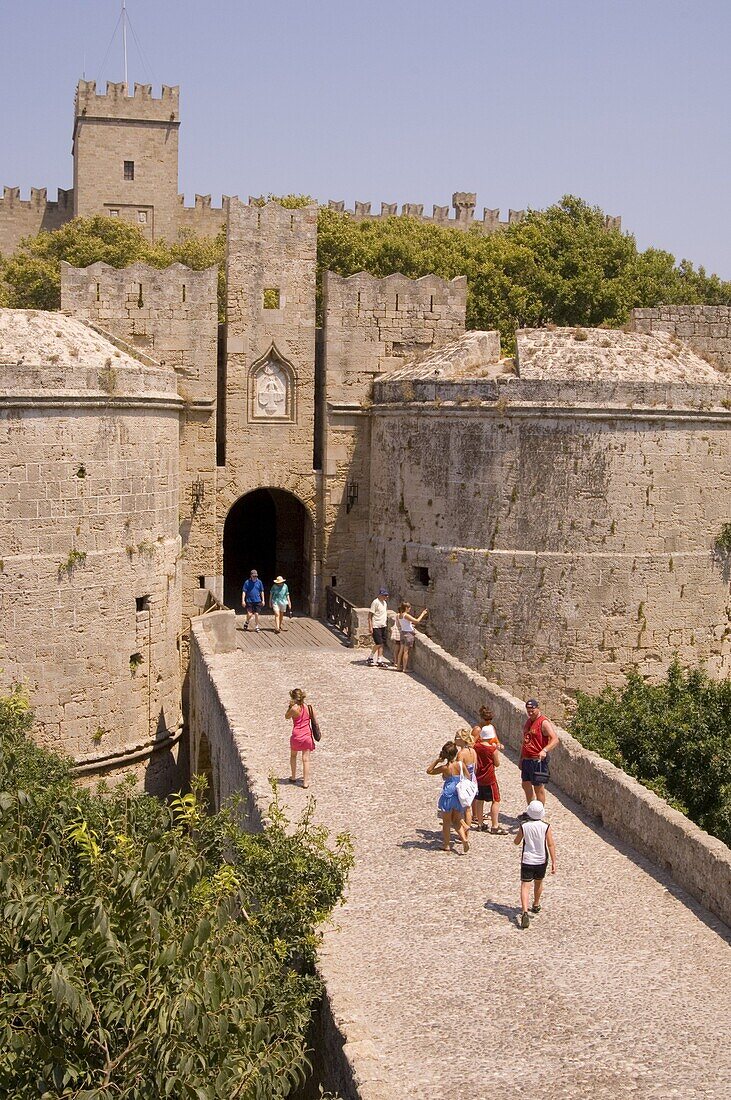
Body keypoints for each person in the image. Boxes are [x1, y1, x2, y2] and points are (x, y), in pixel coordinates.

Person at [514, 800, 557, 929]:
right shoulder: (546, 826)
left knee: (525, 885)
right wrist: (554, 862)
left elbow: (517, 841)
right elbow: (550, 844)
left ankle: (525, 911)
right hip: (541, 860)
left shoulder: (524, 826)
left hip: (527, 859)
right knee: (538, 883)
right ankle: (536, 904)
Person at [519, 698, 559, 819]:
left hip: (537, 760)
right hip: (527, 758)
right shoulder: (528, 722)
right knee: (526, 784)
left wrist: (545, 750)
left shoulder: (543, 722)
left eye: (532, 710)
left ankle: (538, 814)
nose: (530, 712)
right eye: (528, 710)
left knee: (538, 787)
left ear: (537, 708)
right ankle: (532, 810)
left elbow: (555, 739)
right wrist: (521, 758)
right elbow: (525, 741)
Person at [426, 741, 470, 853]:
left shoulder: (445, 768)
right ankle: (464, 839)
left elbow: (429, 771)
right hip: (458, 795)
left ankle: (446, 845)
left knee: (446, 822)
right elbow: (468, 777)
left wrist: (437, 760)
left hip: (448, 795)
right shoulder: (460, 765)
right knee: (456, 820)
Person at [471, 715, 507, 833]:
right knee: (495, 800)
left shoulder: (476, 747)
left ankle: (480, 824)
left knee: (480, 800)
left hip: (479, 777)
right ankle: (495, 826)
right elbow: (497, 764)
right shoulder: (492, 749)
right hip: (490, 778)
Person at [285, 687, 315, 788]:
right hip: (307, 735)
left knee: (293, 755)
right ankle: (305, 782)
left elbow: (287, 716)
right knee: (306, 759)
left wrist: (290, 707)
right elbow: (314, 717)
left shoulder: (294, 708)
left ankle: (293, 777)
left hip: (297, 735)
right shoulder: (308, 707)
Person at [394, 602, 428, 672]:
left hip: (403, 633)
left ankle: (398, 666)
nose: (410, 609)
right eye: (409, 608)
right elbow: (416, 621)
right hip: (408, 634)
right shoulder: (406, 615)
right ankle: (404, 668)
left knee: (401, 651)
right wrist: (423, 613)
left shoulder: (399, 615)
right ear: (406, 608)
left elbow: (405, 623)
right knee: (406, 652)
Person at [455, 728, 478, 830]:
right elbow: (475, 767)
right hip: (472, 780)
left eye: (457, 738)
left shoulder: (461, 754)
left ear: (462, 739)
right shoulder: (473, 751)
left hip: (464, 781)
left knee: (460, 808)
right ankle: (467, 831)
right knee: (468, 809)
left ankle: (462, 828)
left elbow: (458, 769)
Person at [367, 587, 390, 667]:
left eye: (387, 595)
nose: (386, 597)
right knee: (378, 643)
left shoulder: (384, 603)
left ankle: (379, 659)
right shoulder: (375, 602)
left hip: (383, 625)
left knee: (382, 643)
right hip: (376, 625)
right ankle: (370, 656)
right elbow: (370, 615)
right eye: (385, 595)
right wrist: (370, 626)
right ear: (380, 595)